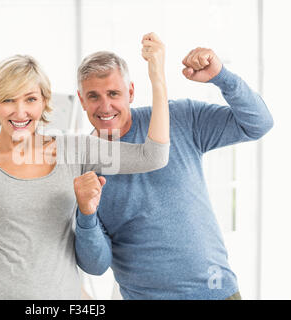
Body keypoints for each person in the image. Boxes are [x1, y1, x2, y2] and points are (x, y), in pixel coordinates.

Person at [0, 36, 170, 299]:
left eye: (30, 99)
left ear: (44, 102)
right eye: (8, 100)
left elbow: (153, 156)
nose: (20, 112)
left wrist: (157, 77)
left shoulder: (75, 150)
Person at [74, 32, 274, 300]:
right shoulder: (82, 168)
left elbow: (258, 123)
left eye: (113, 93)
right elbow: (96, 264)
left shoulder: (180, 118)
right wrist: (86, 215)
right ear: (81, 99)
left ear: (130, 92)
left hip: (217, 293)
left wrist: (221, 76)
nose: (105, 105)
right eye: (94, 96)